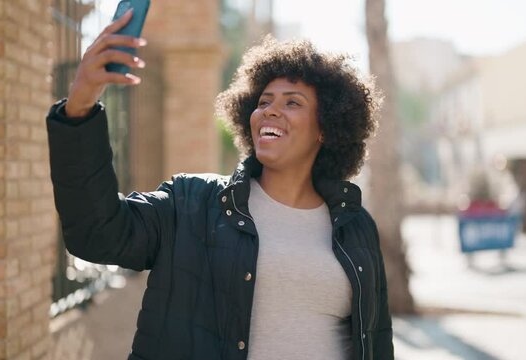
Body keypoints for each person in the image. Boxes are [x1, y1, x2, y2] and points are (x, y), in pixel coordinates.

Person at [46, 10, 393, 360]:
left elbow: (375, 342)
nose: (271, 110)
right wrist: (80, 107)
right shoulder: (191, 203)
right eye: (263, 102)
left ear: (326, 128)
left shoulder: (355, 227)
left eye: (292, 102)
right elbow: (98, 234)